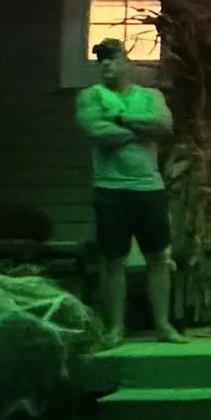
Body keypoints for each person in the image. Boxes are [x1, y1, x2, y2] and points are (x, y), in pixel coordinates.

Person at [76, 37, 181, 345]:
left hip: (149, 187)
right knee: (113, 260)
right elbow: (98, 133)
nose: (107, 64)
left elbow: (164, 127)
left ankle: (163, 325)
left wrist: (121, 118)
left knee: (158, 257)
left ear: (127, 62)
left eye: (112, 58)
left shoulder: (150, 96)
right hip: (110, 188)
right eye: (101, 60)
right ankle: (115, 329)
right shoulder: (90, 96)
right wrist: (140, 130)